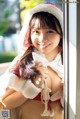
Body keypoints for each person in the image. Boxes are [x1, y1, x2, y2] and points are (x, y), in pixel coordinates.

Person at [0, 2, 64, 119]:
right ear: (29, 33)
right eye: (36, 31)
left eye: (50, 31)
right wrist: (33, 85)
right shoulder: (24, 61)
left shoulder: (68, 63)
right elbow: (5, 103)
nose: (42, 39)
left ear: (61, 34)